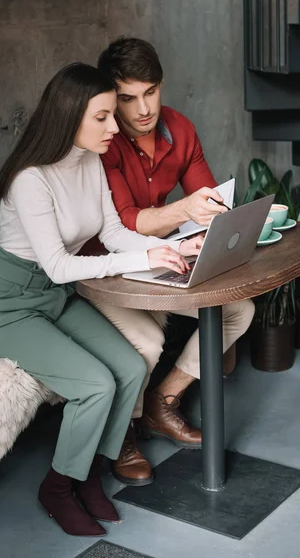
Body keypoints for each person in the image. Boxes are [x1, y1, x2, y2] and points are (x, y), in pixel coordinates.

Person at [0, 62, 203, 537]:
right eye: (102, 117)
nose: (114, 127)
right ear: (69, 116)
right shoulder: (31, 179)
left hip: (52, 298)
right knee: (95, 383)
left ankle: (89, 473)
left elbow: (114, 233)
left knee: (133, 367)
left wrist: (172, 248)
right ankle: (56, 488)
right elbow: (57, 264)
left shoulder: (90, 160)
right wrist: (134, 261)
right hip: (6, 306)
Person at [81, 37, 255, 486]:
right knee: (148, 345)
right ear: (110, 98)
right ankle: (121, 437)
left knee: (239, 309)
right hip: (108, 271)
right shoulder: (104, 142)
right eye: (127, 97)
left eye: (151, 92)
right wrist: (183, 212)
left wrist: (213, 225)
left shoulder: (181, 128)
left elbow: (209, 201)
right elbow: (121, 226)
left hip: (159, 259)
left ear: (161, 86)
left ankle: (163, 401)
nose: (143, 109)